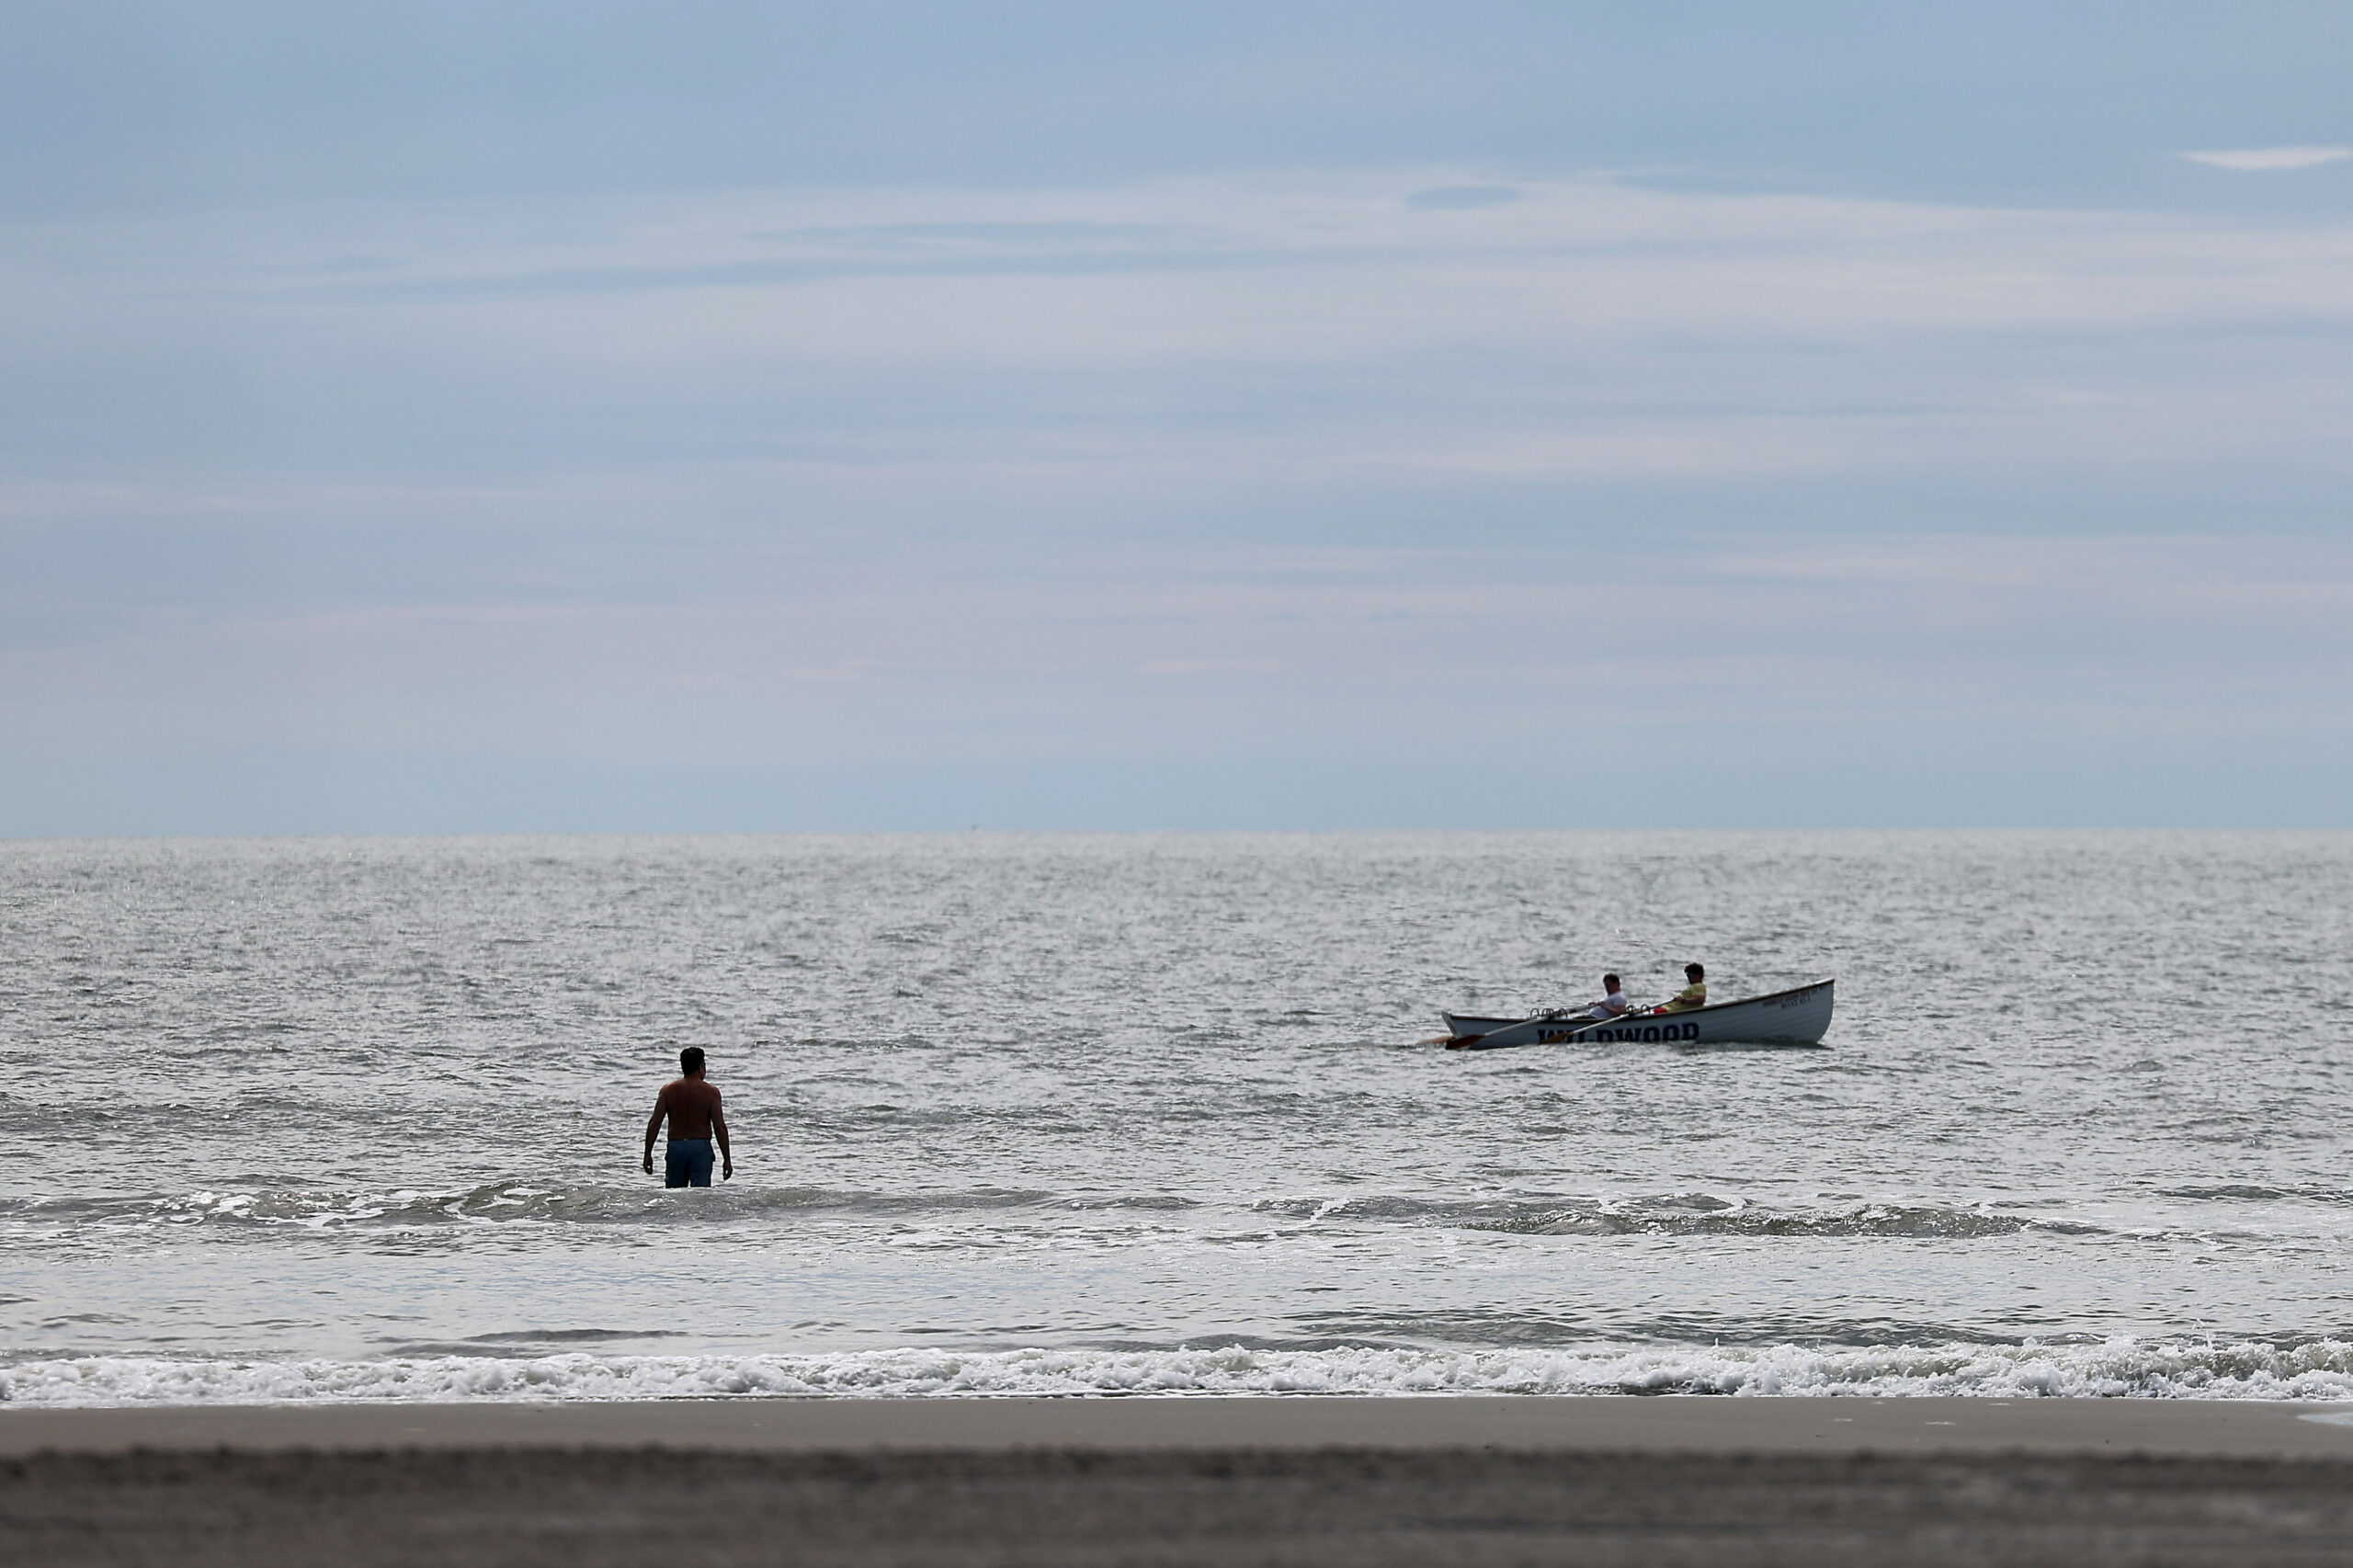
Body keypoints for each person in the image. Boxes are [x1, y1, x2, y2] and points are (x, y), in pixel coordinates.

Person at [643, 1047, 733, 1187]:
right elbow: (719, 1127)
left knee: (674, 1196)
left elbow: (655, 1123)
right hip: (700, 1148)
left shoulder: (668, 1090)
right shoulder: (711, 1092)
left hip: (676, 1147)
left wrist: (647, 1153)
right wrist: (727, 1159)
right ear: (701, 1067)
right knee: (700, 1197)